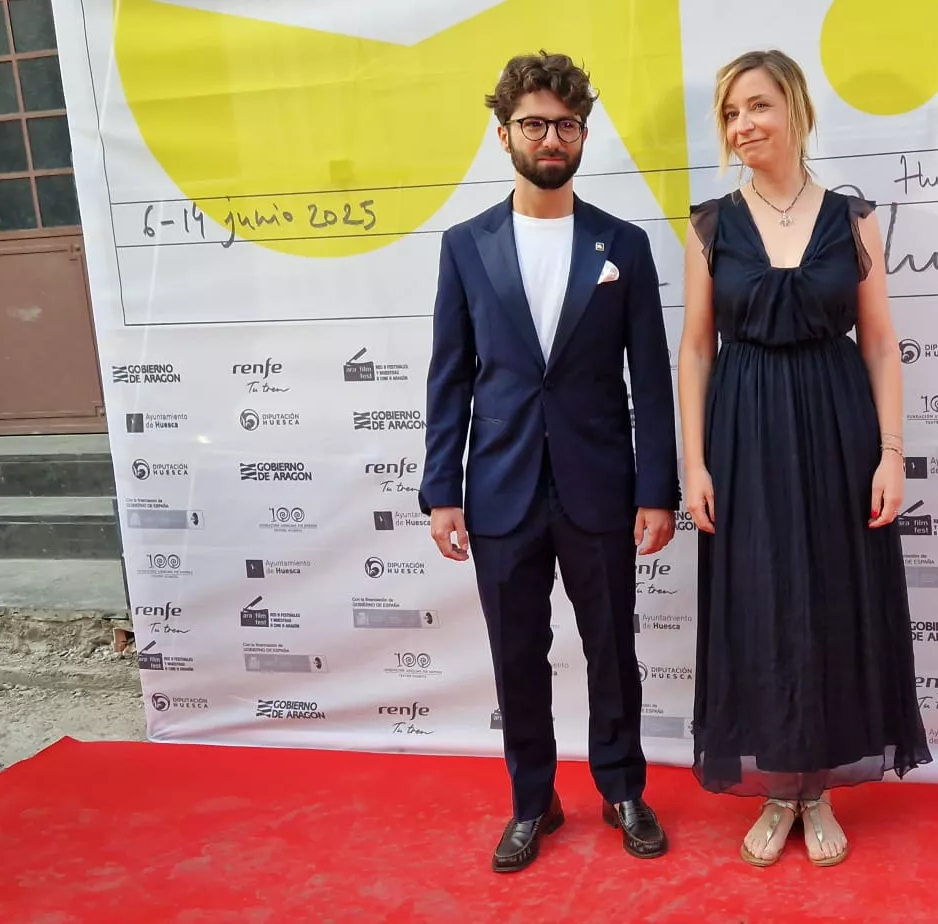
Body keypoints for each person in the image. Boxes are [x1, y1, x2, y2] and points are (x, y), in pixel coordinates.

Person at [421, 50, 679, 874]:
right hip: (499, 491)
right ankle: (533, 800)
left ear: (583, 135)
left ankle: (622, 789)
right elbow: (450, 376)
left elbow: (651, 380)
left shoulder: (623, 244)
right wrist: (442, 491)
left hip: (600, 487)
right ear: (504, 135)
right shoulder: (465, 246)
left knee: (613, 650)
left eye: (565, 124)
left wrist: (657, 489)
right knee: (516, 656)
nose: (550, 138)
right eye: (533, 123)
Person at [678, 49, 932, 868]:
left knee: (832, 601)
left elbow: (881, 344)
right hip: (744, 434)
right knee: (759, 604)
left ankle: (815, 790)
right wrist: (694, 464)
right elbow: (696, 350)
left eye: (756, 106)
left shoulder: (853, 219)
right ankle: (778, 789)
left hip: (836, 428)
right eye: (729, 114)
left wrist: (892, 453)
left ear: (794, 107)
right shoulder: (710, 225)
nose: (742, 125)